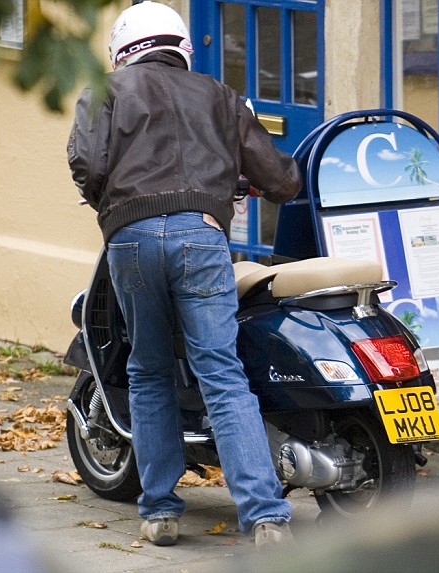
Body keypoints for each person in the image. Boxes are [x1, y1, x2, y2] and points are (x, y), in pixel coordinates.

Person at [67, 0, 301, 550]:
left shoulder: (103, 91)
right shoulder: (221, 96)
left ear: (124, 49)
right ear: (180, 48)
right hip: (202, 235)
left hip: (132, 239)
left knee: (147, 369)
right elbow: (279, 180)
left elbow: (88, 165)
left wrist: (113, 204)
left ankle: (160, 512)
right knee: (222, 372)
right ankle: (266, 518)